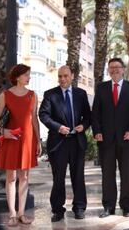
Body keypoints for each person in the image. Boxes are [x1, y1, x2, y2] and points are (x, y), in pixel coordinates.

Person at [39, 66, 91, 222]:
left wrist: (84, 125)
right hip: (58, 143)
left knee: (78, 177)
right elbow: (43, 115)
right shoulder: (50, 94)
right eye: (60, 76)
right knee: (58, 178)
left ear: (72, 76)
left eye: (65, 76)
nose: (62, 79)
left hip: (77, 142)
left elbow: (88, 115)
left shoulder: (81, 94)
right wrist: (58, 127)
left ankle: (79, 207)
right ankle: (58, 210)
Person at [91, 58, 129, 218]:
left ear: (123, 69)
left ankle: (126, 207)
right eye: (111, 68)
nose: (114, 70)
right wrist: (97, 131)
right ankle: (108, 206)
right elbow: (95, 113)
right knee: (107, 175)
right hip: (105, 140)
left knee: (127, 175)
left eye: (117, 67)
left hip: (126, 140)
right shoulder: (101, 88)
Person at [0, 64, 41, 227]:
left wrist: (38, 140)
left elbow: (34, 118)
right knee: (11, 177)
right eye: (27, 75)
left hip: (27, 140)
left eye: (29, 74)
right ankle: (12, 214)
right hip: (11, 139)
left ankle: (21, 213)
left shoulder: (33, 95)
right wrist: (3, 131)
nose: (29, 77)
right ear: (18, 76)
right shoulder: (5, 95)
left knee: (25, 177)